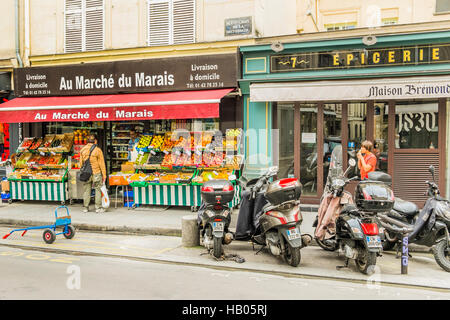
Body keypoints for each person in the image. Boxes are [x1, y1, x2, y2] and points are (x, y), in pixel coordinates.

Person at [80, 134, 107, 213]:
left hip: (86, 173)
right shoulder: (98, 150)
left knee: (86, 190)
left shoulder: (83, 150)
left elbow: (81, 164)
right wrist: (104, 175)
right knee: (98, 189)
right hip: (96, 172)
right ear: (95, 141)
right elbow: (102, 164)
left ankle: (85, 207)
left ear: (87, 141)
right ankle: (98, 208)